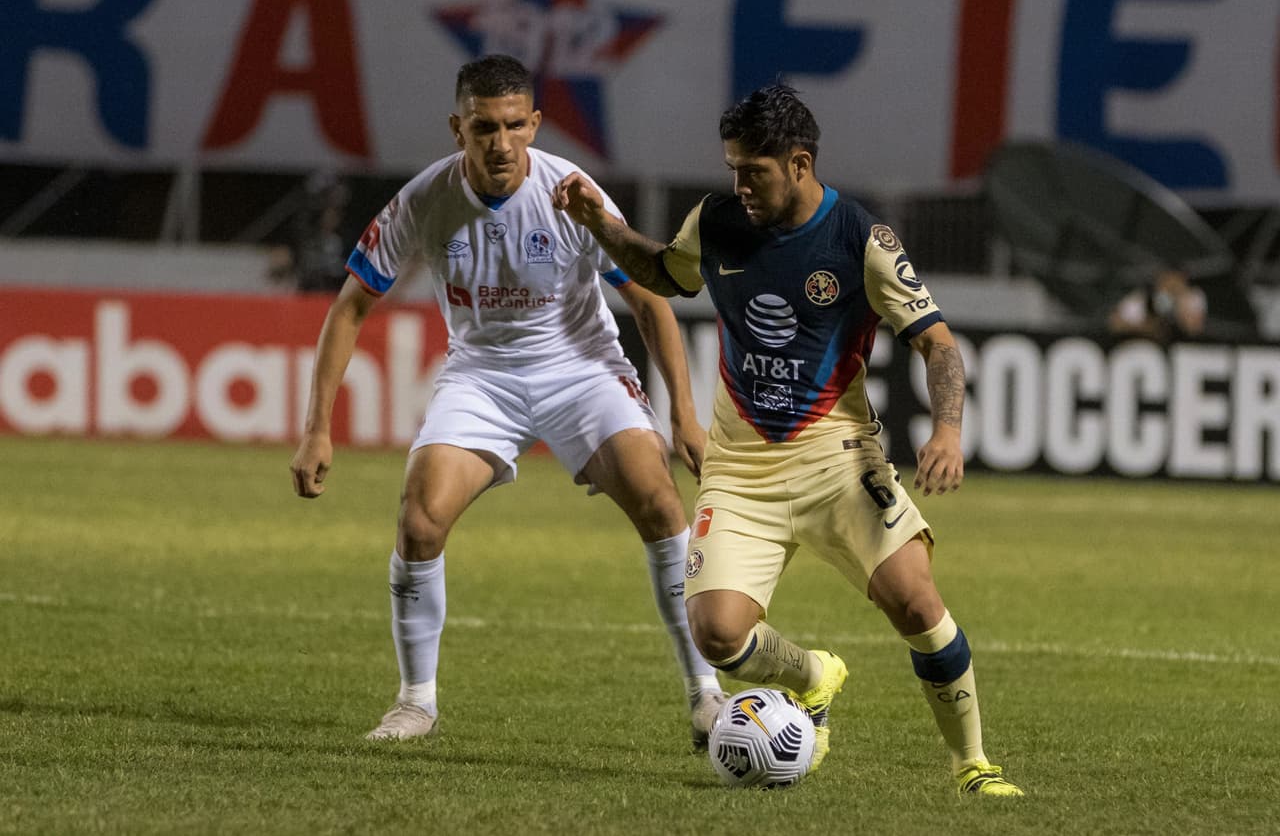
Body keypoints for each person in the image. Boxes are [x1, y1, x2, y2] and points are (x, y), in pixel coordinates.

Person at [553, 84, 1024, 796]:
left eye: (754, 172)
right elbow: (663, 272)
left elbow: (938, 344)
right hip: (740, 468)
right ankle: (812, 675)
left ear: (800, 164)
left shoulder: (860, 239)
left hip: (838, 458)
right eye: (733, 170)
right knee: (717, 634)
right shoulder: (715, 222)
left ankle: (973, 765)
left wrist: (948, 429)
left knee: (916, 603)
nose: (739, 186)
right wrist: (599, 224)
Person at [290, 54, 726, 746]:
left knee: (659, 501)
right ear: (458, 127)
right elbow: (349, 310)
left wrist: (686, 415)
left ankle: (706, 695)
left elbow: (650, 301)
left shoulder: (573, 195)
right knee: (420, 518)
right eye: (484, 127)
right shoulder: (423, 200)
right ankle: (415, 703)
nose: (501, 142)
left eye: (514, 125)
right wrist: (317, 428)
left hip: (582, 370)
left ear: (535, 123)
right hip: (481, 378)